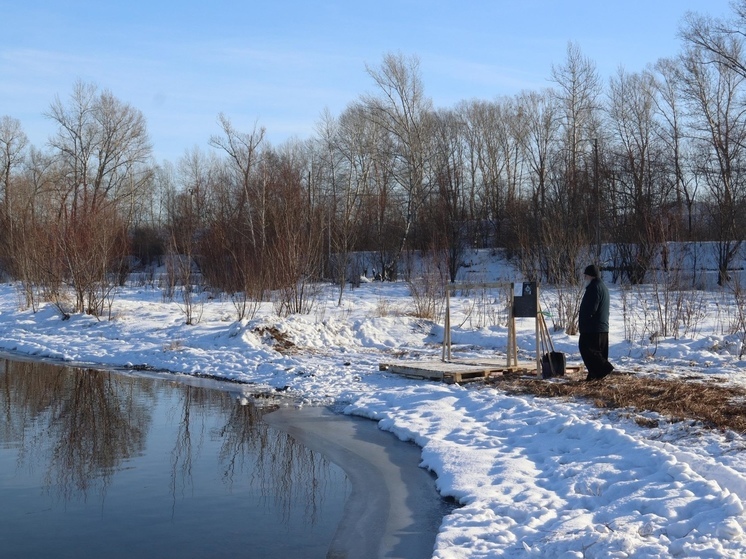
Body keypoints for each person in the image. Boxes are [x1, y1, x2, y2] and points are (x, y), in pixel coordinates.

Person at [578, 264, 614, 381]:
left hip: (593, 328)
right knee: (599, 353)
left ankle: (605, 369)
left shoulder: (594, 288)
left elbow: (590, 308)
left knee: (587, 349)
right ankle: (594, 376)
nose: (584, 278)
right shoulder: (603, 287)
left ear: (590, 276)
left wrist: (585, 321)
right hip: (602, 327)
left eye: (585, 276)